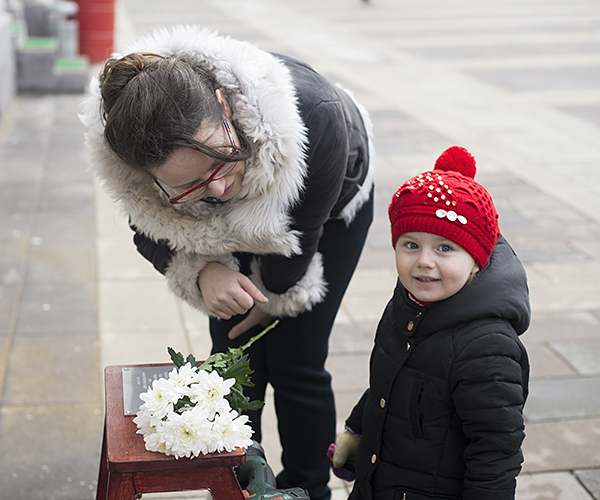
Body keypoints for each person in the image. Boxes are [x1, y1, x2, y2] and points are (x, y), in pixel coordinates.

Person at [80, 25, 374, 500]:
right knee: (233, 356)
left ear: (223, 103)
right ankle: (241, 483)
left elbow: (298, 236)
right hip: (221, 223)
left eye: (217, 163)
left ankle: (309, 488)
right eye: (190, 184)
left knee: (297, 358)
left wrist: (273, 296)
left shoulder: (316, 116)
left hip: (326, 203)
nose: (218, 189)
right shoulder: (132, 153)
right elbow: (148, 226)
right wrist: (204, 271)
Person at [330, 146, 530, 500]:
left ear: (477, 259)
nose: (424, 261)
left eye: (444, 248)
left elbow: (496, 451)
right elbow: (388, 383)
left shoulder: (487, 347)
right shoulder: (406, 307)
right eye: (410, 244)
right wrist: (358, 430)